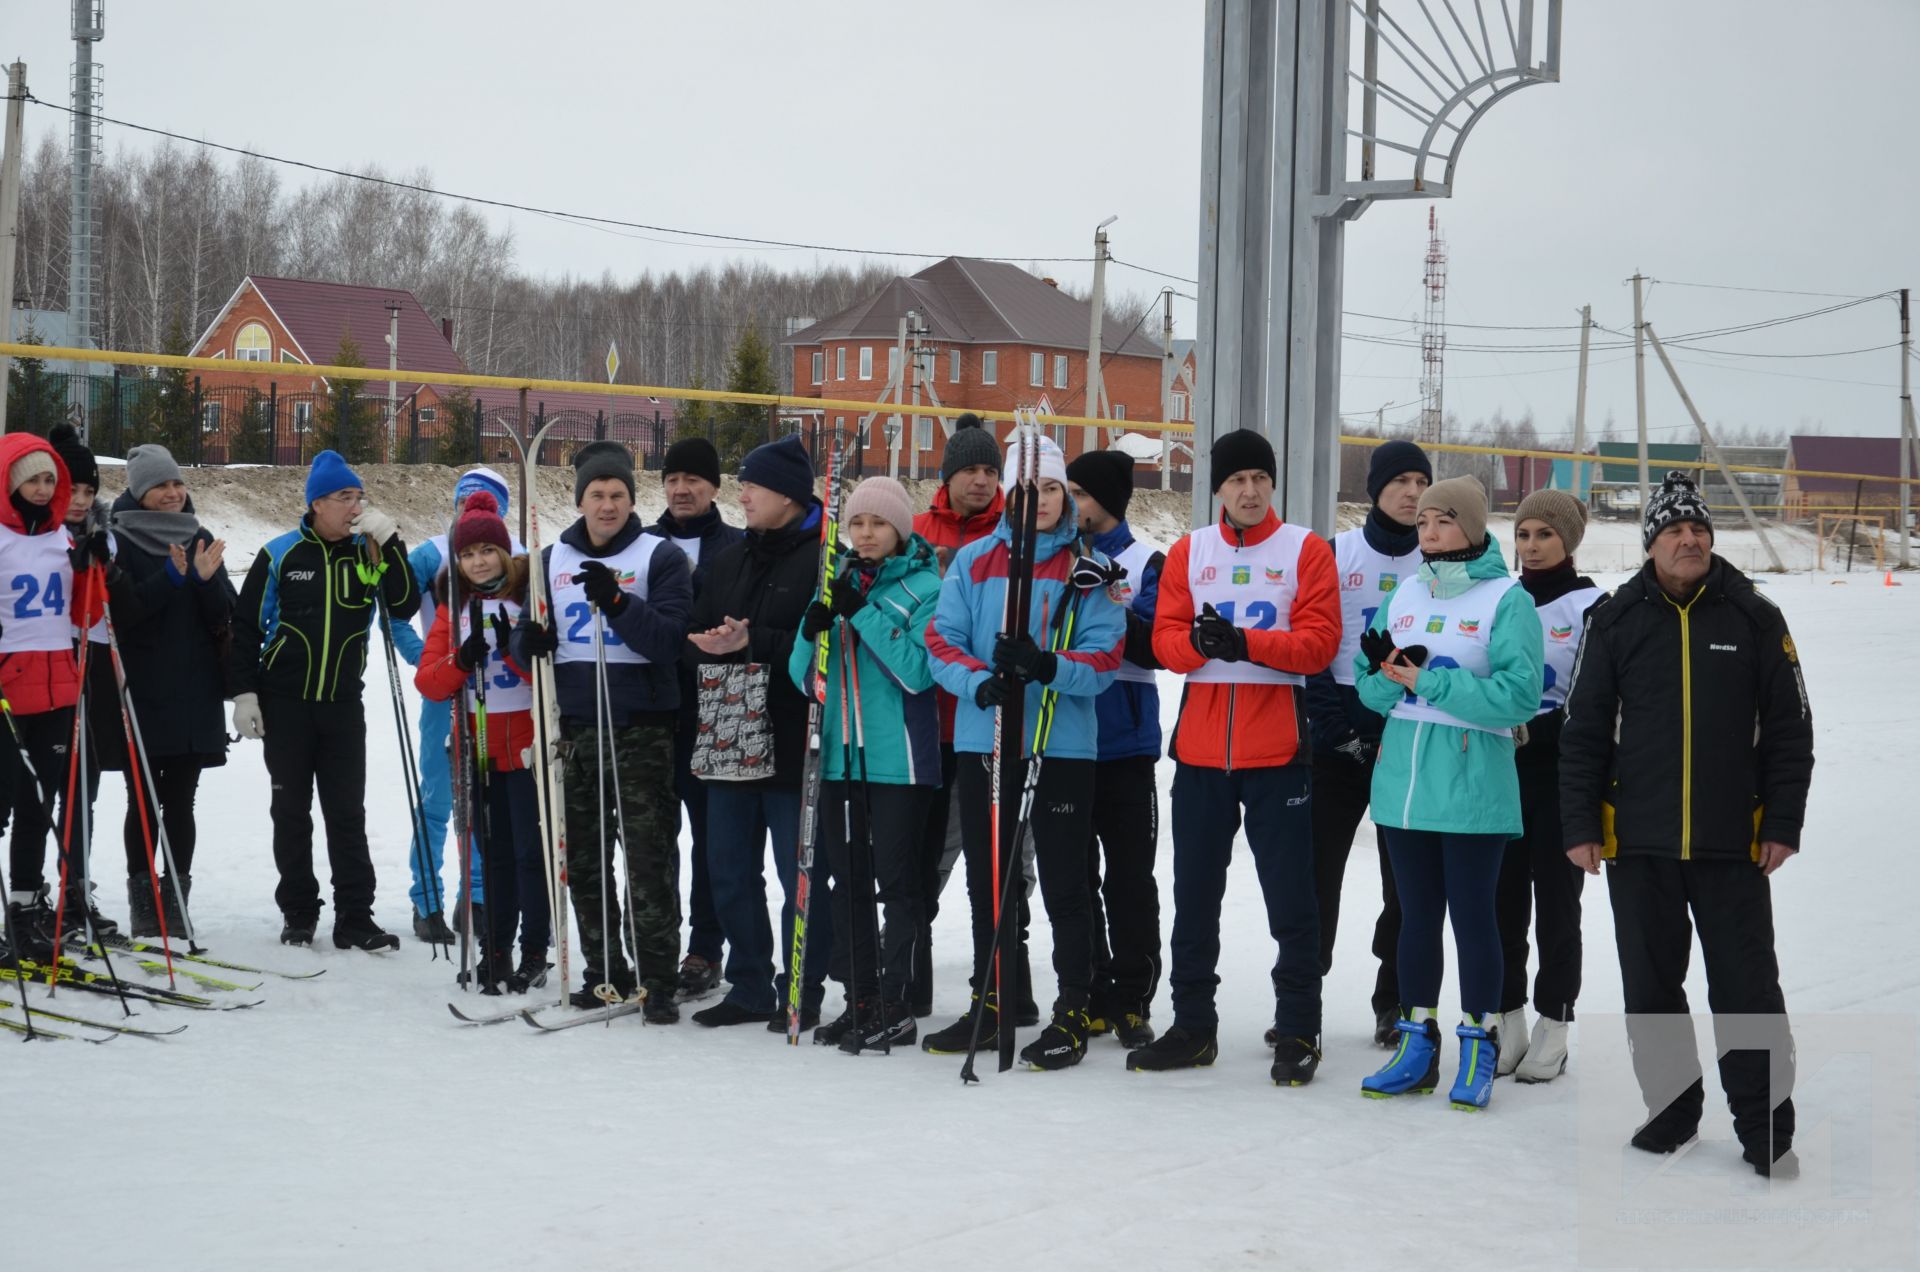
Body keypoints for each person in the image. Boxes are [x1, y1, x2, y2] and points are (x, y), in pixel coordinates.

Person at [1560, 471, 1812, 1177]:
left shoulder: (1754, 617)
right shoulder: (1614, 621)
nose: (1689, 539)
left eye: (1698, 529)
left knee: (1748, 990)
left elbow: (1791, 730)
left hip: (1734, 844)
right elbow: (1582, 732)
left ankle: (1765, 1130)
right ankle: (1672, 1115)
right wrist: (1580, 823)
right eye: (1674, 530)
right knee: (1651, 988)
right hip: (1638, 845)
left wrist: (1782, 822)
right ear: (1651, 544)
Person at [1130, 429, 1340, 1085]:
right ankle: (1194, 1026)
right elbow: (1164, 643)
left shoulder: (1304, 549)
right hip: (1199, 754)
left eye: (1260, 479)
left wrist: (1244, 641)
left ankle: (1300, 1029)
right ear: (1216, 488)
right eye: (1236, 480)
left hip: (1277, 751)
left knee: (1291, 902)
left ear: (1272, 485)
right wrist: (1200, 644)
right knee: (1194, 897)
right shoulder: (1191, 552)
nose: (1249, 491)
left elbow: (1318, 645)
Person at [923, 432, 1126, 1071]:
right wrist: (979, 683)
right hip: (987, 740)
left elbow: (1103, 660)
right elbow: (941, 639)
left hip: (1059, 746)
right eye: (1028, 488)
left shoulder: (1086, 567)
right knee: (991, 883)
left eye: (1051, 489)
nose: (1038, 500)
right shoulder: (976, 560)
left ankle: (1073, 1006)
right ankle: (996, 997)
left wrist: (1046, 666)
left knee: (1066, 882)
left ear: (1066, 495)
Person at [1354, 476, 1543, 1111]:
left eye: (1442, 521)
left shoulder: (1506, 599)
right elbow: (1367, 685)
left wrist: (1434, 684)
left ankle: (1480, 1040)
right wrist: (1389, 679)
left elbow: (1520, 697)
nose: (1428, 532)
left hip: (1472, 786)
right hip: (1404, 785)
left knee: (1474, 918)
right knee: (1414, 919)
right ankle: (1418, 1043)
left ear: (1471, 526)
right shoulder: (1406, 591)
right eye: (1424, 521)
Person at [512, 442, 689, 1021]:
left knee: (646, 860)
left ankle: (659, 975)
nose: (607, 505)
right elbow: (526, 634)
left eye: (617, 495)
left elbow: (667, 641)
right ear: (580, 500)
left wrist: (616, 600)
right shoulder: (549, 559)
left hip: (639, 729)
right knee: (582, 860)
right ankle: (604, 969)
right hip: (574, 731)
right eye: (597, 495)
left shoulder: (658, 555)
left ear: (632, 501)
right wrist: (526, 644)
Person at [230, 449, 419, 951]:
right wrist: (245, 692)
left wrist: (390, 541)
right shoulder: (280, 553)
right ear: (317, 503)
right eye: (344, 497)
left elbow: (404, 602)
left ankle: (355, 916)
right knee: (290, 812)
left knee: (346, 813)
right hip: (285, 703)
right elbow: (245, 628)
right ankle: (298, 912)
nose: (355, 506)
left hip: (341, 704)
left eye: (359, 496)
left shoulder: (369, 554)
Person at [683, 435, 836, 1031]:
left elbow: (828, 650)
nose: (741, 494)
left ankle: (803, 985)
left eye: (754, 485)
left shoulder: (827, 559)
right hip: (729, 729)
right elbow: (694, 632)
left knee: (799, 868)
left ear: (790, 497)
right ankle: (748, 983)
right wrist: (710, 646)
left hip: (796, 734)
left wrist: (757, 644)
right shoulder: (728, 558)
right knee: (726, 866)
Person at [788, 476, 942, 1053]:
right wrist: (811, 633)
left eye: (878, 523)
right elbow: (803, 678)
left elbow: (918, 673)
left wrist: (867, 617)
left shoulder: (927, 586)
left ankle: (897, 1000)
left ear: (900, 528)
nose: (867, 533)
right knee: (847, 883)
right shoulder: (837, 580)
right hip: (839, 759)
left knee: (898, 885)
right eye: (857, 523)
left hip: (898, 762)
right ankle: (862, 998)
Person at [1304, 440, 1429, 1049]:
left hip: (1406, 736)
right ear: (1376, 489)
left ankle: (1394, 998)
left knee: (1403, 882)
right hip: (1335, 737)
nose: (1412, 492)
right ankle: (1303, 996)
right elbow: (1313, 653)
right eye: (1400, 480)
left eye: (1421, 481)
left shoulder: (1439, 561)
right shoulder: (1334, 553)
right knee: (1315, 875)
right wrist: (1339, 732)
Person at [415, 492, 551, 994]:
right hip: (479, 746)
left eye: (486, 552)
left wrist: (518, 653)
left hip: (528, 746)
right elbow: (430, 682)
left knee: (528, 856)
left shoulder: (526, 597)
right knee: (489, 855)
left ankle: (535, 950)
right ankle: (496, 949)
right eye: (468, 554)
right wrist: (461, 661)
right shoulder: (457, 608)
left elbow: (546, 673)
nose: (477, 562)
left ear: (503, 551)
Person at [1493, 488, 1604, 1082]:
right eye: (1524, 534)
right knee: (1501, 901)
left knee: (1556, 908)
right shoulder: (1501, 599)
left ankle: (1554, 1024)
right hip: (1499, 773)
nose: (1531, 547)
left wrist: (1534, 727)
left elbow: (1592, 703)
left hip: (1559, 776)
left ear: (1568, 541)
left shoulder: (1592, 606)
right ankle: (1507, 1018)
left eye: (1545, 536)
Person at [105, 444, 236, 938]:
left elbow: (224, 614)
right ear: (140, 491)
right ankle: (142, 897)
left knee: (182, 799)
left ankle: (175, 897)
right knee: (141, 797)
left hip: (195, 690)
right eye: (161, 485)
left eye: (177, 484)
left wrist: (203, 582)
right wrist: (172, 577)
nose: (172, 493)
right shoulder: (119, 541)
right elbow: (125, 614)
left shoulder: (198, 536)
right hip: (141, 691)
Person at [908, 412, 1011, 1019]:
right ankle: (911, 974)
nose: (981, 480)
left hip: (987, 723)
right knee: (923, 859)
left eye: (990, 470)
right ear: (947, 477)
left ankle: (1000, 980)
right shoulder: (918, 531)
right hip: (925, 721)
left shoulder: (1013, 533)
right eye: (970, 469)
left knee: (997, 865)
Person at [1063, 448, 1164, 1050]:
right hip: (1066, 738)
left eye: (1079, 492)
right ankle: (1091, 989)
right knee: (1073, 878)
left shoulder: (1148, 559)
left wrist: (1114, 600)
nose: (1071, 503)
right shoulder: (1054, 554)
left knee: (1129, 879)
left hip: (1125, 744)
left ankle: (1132, 997)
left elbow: (1158, 647)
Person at [393, 466, 515, 945]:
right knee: (440, 801)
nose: (472, 506)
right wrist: (430, 662)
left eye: (483, 499)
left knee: (486, 804)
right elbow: (394, 615)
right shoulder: (432, 553)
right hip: (445, 695)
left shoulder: (517, 557)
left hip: (504, 701)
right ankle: (427, 902)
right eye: (464, 498)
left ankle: (479, 900)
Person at [643, 436, 743, 1003]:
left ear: (715, 487)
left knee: (714, 844)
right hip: (655, 713)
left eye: (694, 480)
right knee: (655, 841)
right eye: (672, 479)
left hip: (716, 715)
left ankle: (705, 948)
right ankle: (656, 944)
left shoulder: (735, 546)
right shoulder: (643, 544)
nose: (681, 489)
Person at [0, 434, 108, 956]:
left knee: (39, 804)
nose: (42, 490)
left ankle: (23, 909)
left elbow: (85, 617)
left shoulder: (61, 540)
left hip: (58, 689)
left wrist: (89, 568)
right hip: (7, 692)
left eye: (49, 480)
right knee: (3, 804)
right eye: (32, 479)